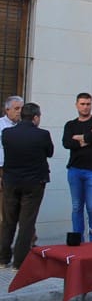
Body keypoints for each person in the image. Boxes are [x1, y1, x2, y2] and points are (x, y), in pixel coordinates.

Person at [0, 103, 52, 270]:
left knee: (8, 221)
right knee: (26, 223)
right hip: (34, 184)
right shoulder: (42, 134)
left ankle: (2, 259)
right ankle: (19, 262)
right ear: (35, 117)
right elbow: (49, 152)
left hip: (11, 182)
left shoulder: (7, 133)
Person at [62, 93, 92, 242]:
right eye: (82, 104)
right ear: (76, 105)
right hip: (75, 170)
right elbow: (67, 143)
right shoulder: (70, 125)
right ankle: (78, 239)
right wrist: (88, 137)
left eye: (88, 104)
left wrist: (78, 138)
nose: (85, 107)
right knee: (76, 207)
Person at [0, 95, 24, 223]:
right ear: (7, 110)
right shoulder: (1, 125)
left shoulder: (24, 126)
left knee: (24, 210)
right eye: (16, 108)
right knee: (4, 210)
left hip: (21, 171)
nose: (19, 112)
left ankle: (28, 236)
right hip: (3, 170)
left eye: (21, 109)